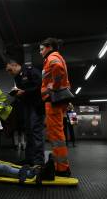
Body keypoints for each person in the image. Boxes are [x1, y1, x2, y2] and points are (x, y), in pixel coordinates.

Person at [40, 37, 72, 177]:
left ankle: (63, 169)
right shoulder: (56, 57)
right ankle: (61, 166)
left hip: (53, 100)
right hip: (56, 100)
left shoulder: (52, 57)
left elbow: (58, 69)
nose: (40, 52)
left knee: (56, 135)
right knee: (56, 134)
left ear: (50, 47)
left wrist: (54, 87)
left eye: (42, 49)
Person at [6, 59, 45, 166]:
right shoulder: (17, 77)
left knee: (36, 132)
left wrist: (25, 92)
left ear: (15, 65)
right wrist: (16, 93)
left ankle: (39, 161)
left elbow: (41, 86)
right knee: (28, 132)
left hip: (36, 106)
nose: (9, 73)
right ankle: (29, 159)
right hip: (26, 106)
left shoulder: (31, 71)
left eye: (10, 70)